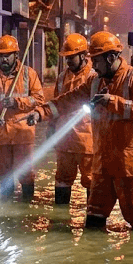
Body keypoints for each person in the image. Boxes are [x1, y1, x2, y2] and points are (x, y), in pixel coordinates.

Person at [26, 31, 133, 230]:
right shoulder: (96, 82)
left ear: (111, 57)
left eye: (96, 60)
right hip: (103, 163)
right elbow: (68, 100)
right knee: (94, 217)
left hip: (129, 166)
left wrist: (111, 101)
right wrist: (41, 113)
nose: (92, 65)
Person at [0, 34, 44, 200]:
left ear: (16, 55)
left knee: (26, 173)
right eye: (0, 55)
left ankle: (27, 208)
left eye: (6, 55)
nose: (3, 59)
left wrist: (17, 102)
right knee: (4, 173)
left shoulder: (28, 74)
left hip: (23, 133)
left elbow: (39, 99)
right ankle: (6, 208)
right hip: (1, 132)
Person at [50, 33, 95, 205]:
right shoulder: (62, 77)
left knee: (91, 181)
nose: (68, 60)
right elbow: (55, 104)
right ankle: (60, 220)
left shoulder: (93, 76)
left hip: (87, 142)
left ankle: (92, 219)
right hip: (64, 141)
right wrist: (51, 129)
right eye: (66, 57)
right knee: (61, 180)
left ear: (83, 55)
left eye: (71, 57)